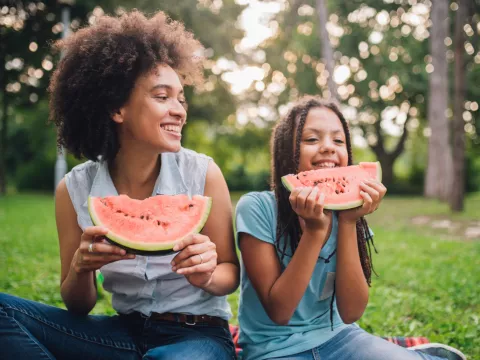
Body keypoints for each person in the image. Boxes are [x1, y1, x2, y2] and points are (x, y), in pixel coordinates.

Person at [0, 10, 239, 360]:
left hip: (197, 335)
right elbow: (77, 305)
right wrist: (82, 268)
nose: (179, 110)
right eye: (162, 97)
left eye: (180, 98)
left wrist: (207, 275)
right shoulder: (74, 190)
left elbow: (229, 272)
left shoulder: (202, 174)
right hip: (121, 334)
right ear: (117, 108)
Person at [235, 96, 467, 360]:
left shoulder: (347, 212)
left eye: (338, 140)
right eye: (311, 139)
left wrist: (348, 221)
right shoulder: (256, 207)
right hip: (274, 350)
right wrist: (314, 233)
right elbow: (280, 311)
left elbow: (351, 312)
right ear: (287, 152)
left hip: (340, 337)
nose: (328, 148)